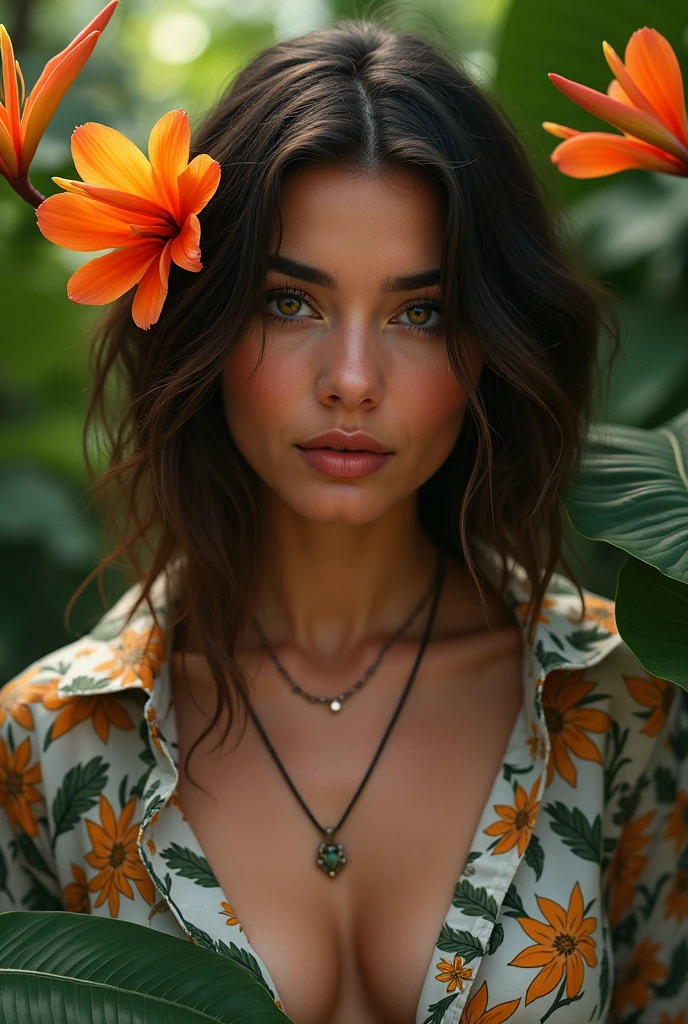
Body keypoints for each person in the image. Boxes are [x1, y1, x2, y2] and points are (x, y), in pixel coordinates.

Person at [1, 17, 686, 1024]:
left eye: (421, 311)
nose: (353, 381)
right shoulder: (47, 745)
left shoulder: (629, 704)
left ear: (490, 343)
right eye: (289, 302)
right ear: (204, 317)